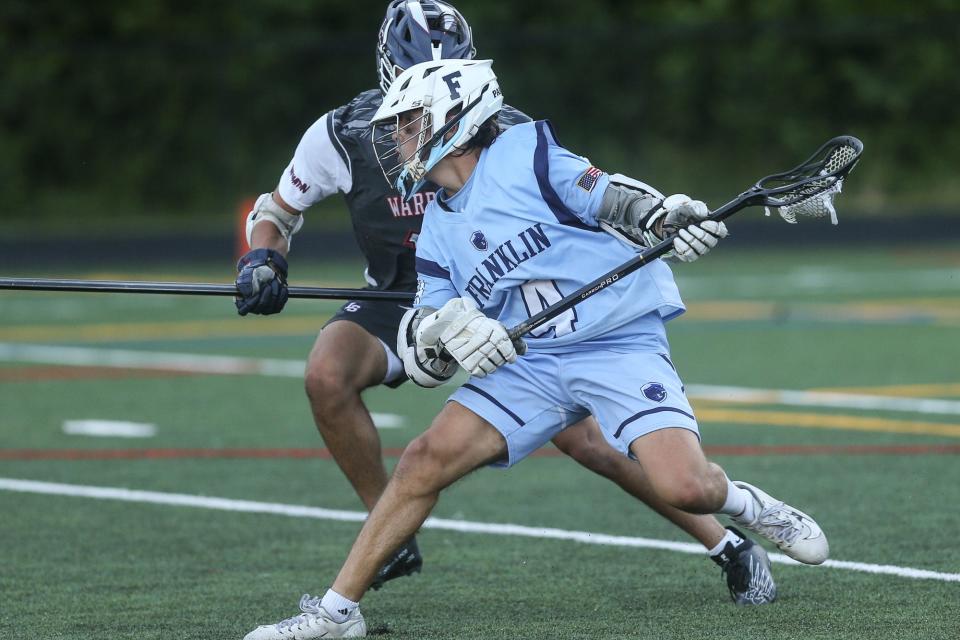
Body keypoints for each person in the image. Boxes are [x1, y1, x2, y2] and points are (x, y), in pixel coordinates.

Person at [243, 57, 830, 639]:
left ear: (452, 120)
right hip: (534, 361)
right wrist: (450, 334)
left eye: (409, 123)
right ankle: (336, 614)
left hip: (614, 341)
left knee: (688, 487)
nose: (397, 139)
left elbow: (609, 196)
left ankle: (749, 508)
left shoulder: (526, 153)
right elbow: (426, 331)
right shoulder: (441, 225)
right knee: (423, 460)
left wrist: (663, 215)